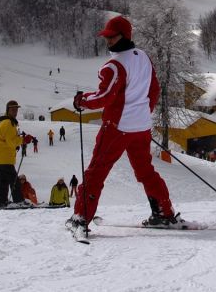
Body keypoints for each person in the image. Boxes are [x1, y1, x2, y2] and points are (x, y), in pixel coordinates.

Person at [66, 15, 177, 233]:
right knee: (145, 171)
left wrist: (82, 101)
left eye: (112, 37)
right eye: (106, 37)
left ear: (124, 36)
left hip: (117, 128)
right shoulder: (143, 57)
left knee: (96, 172)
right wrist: (143, 113)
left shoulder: (114, 66)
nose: (108, 41)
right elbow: (154, 90)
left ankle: (81, 218)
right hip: (141, 127)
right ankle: (164, 213)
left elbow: (104, 97)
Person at [0, 101, 24, 207]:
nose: (15, 111)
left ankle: (0, 201)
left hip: (0, 157)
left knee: (3, 181)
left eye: (16, 109)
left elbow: (11, 139)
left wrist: (20, 140)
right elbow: (11, 141)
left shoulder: (10, 122)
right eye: (13, 109)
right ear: (8, 110)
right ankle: (19, 201)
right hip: (3, 157)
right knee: (14, 180)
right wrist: (23, 140)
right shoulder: (8, 123)